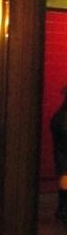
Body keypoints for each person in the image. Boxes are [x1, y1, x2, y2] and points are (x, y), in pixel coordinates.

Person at [52, 85, 67, 224]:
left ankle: (62, 208)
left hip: (61, 152)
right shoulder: (61, 117)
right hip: (63, 153)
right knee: (65, 181)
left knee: (65, 181)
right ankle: (62, 209)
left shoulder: (59, 116)